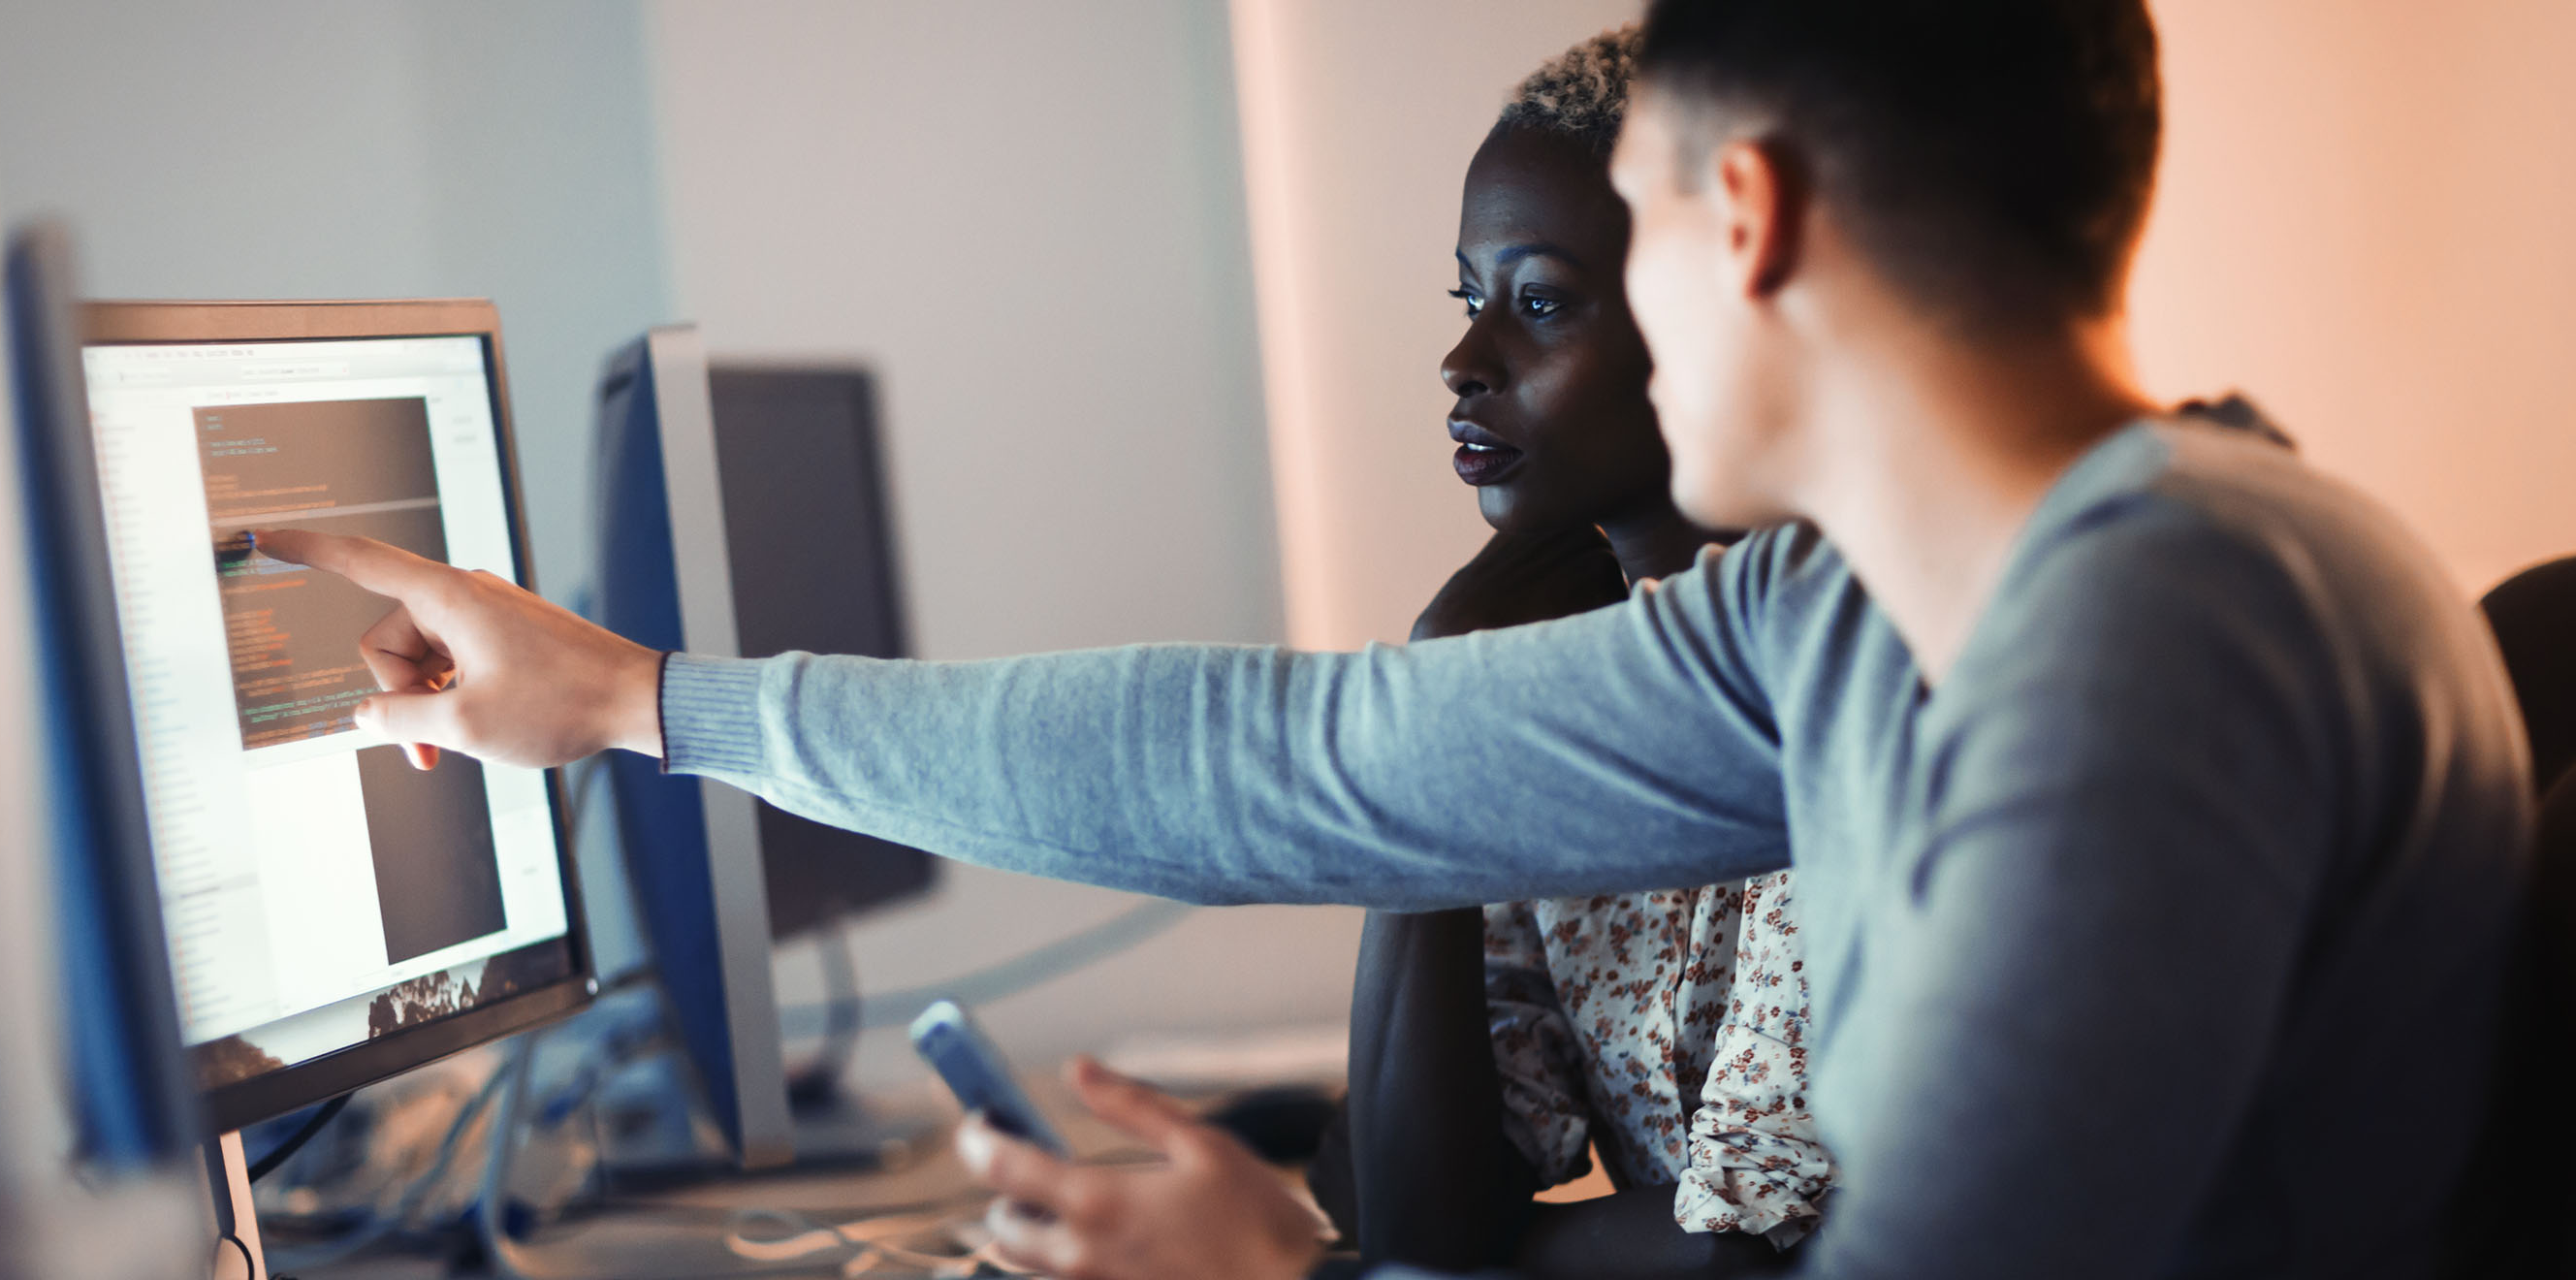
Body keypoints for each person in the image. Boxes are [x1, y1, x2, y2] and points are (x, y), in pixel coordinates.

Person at [249, 1, 2528, 1276]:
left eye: (1610, 242)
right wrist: (640, 703)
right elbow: (1287, 765)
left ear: (1735, 220)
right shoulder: (1845, 608)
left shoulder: (2166, 628)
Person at [1322, 27, 1823, 1279]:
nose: (1463, 361)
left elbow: (1757, 1256)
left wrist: (1484, 1257)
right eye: (1469, 298)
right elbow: (1414, 1209)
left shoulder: (1851, 673)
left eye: (1538, 302)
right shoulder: (1560, 687)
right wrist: (1436, 710)